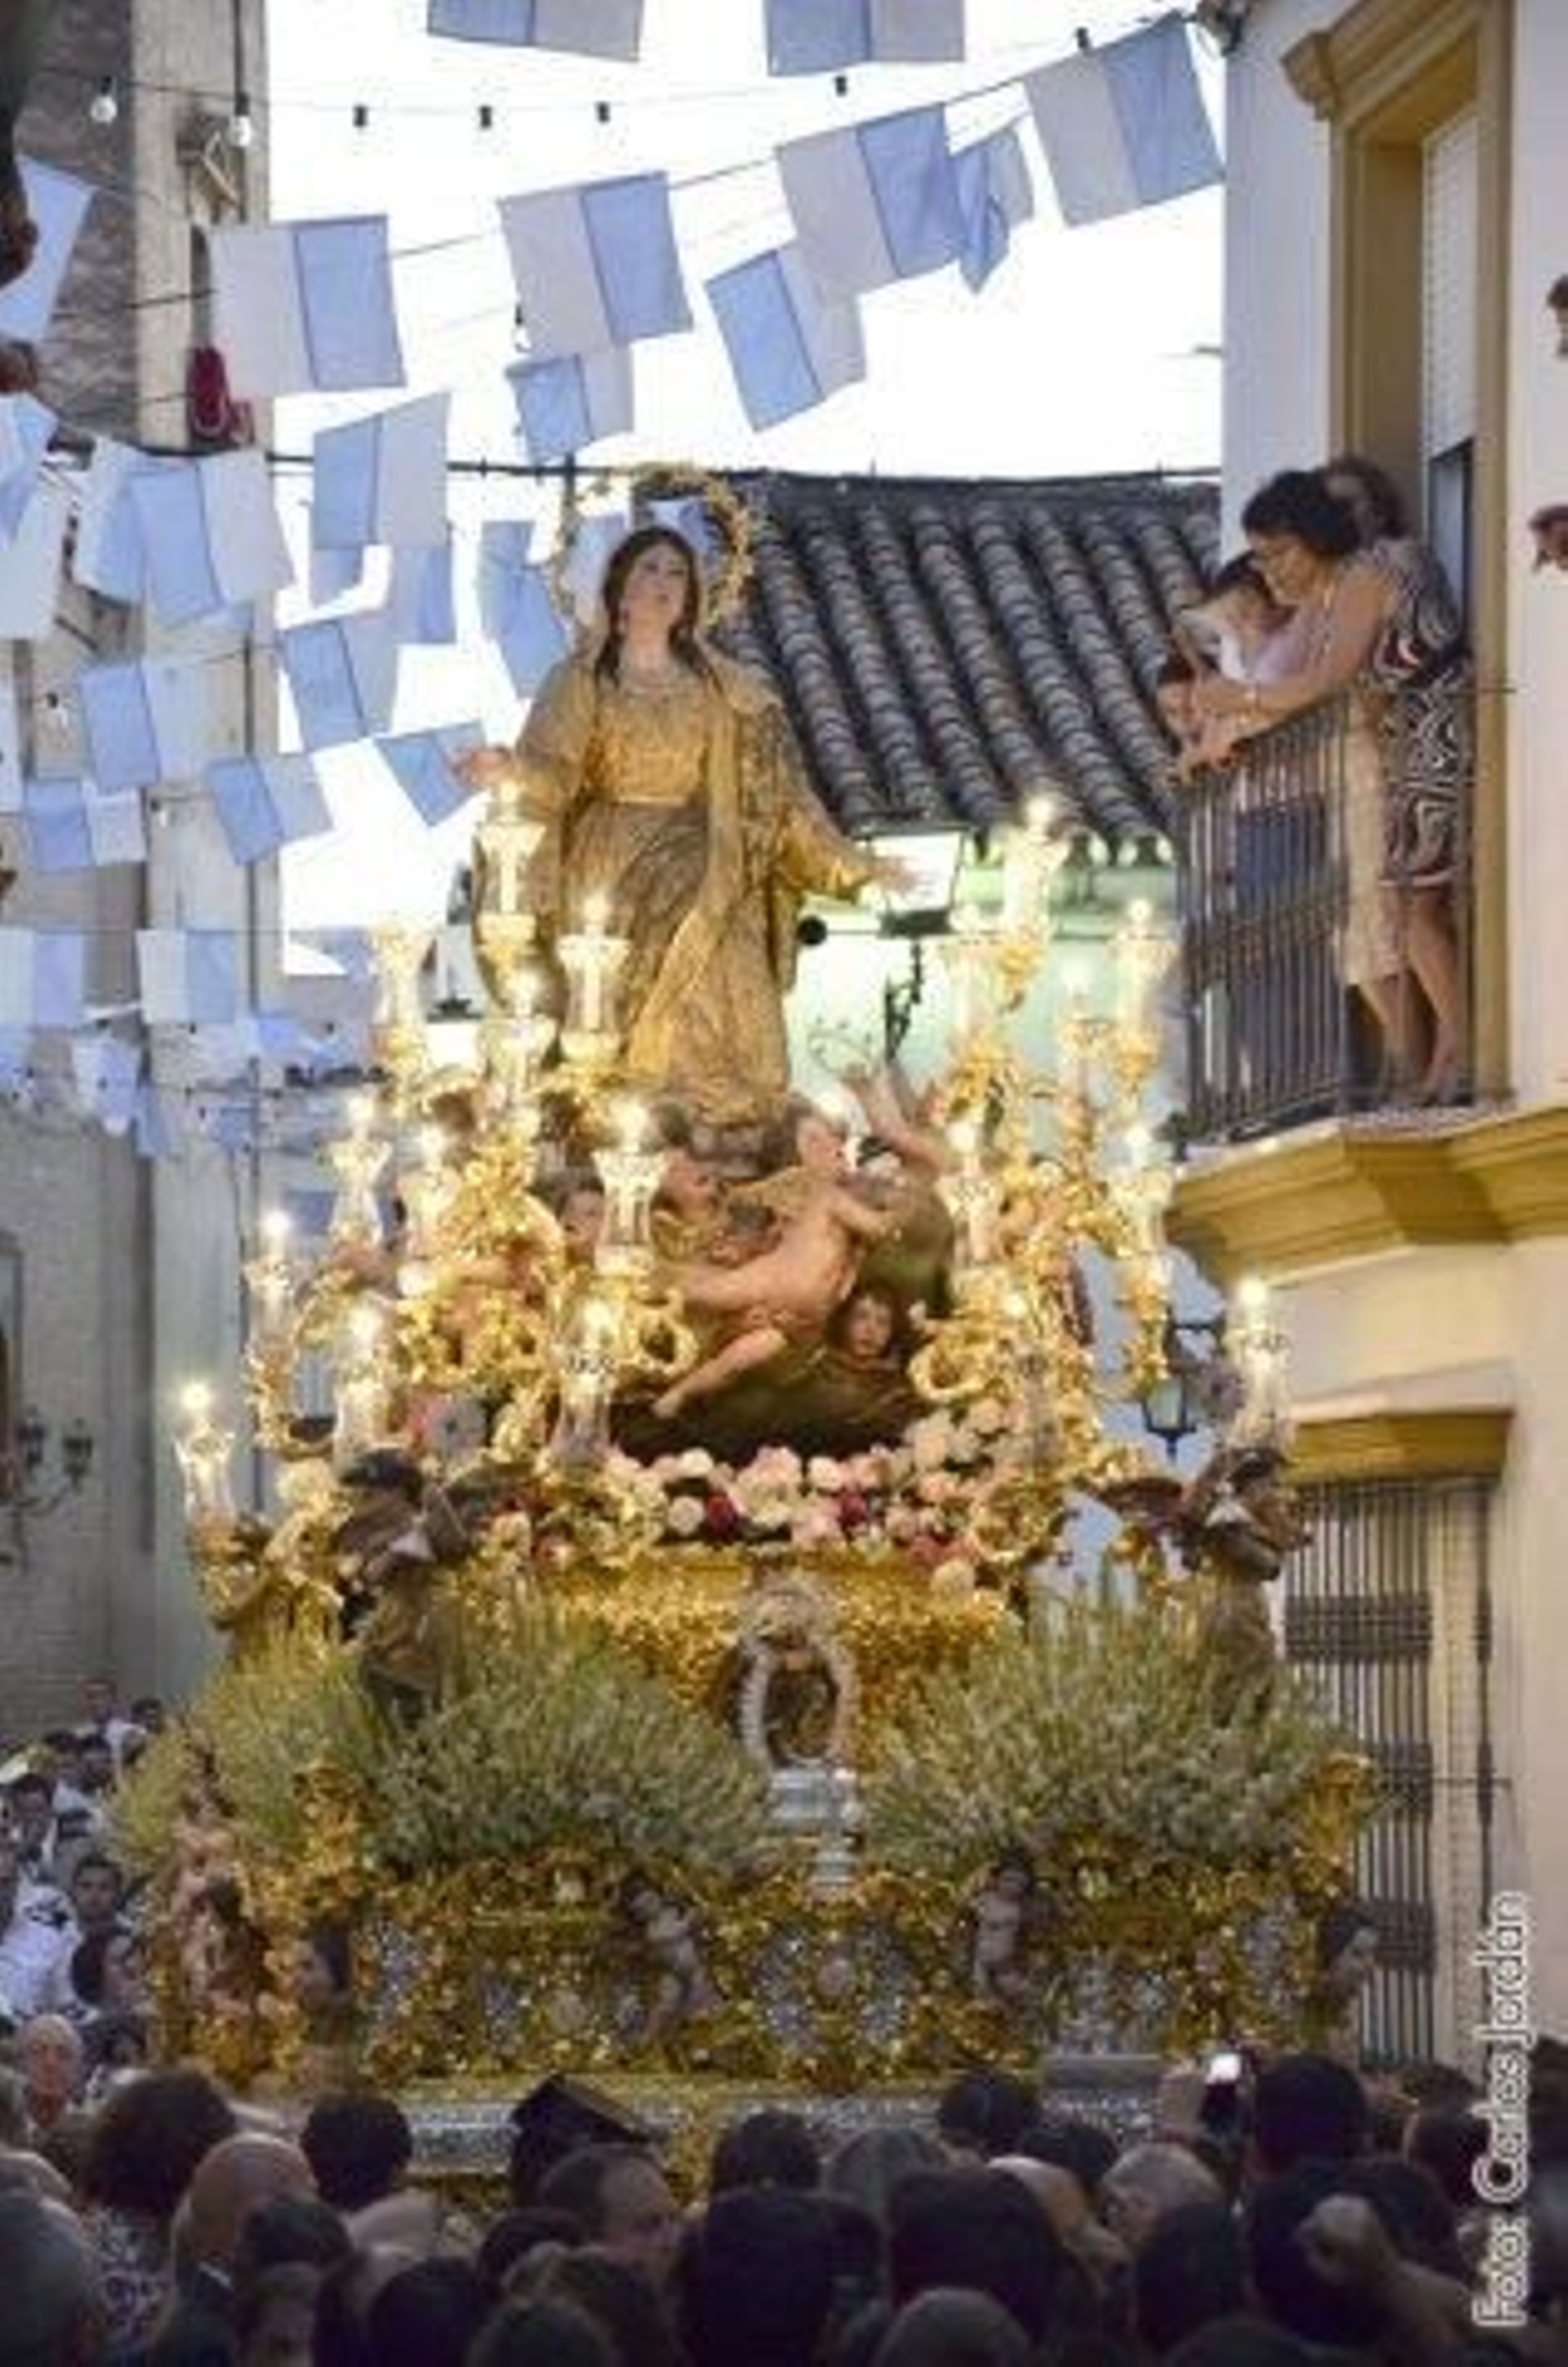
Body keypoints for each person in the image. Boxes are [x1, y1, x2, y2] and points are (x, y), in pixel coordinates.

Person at [460, 525, 908, 1126]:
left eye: (677, 573)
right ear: (619, 585)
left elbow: (783, 803)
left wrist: (858, 867)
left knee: (726, 955)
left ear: (695, 593)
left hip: (711, 861)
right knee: (624, 987)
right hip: (617, 864)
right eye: (650, 569)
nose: (664, 584)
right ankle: (641, 1106)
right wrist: (510, 768)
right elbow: (554, 770)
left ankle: (735, 1114)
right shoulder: (582, 679)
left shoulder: (732, 693)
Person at [1194, 468, 1464, 1099]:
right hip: (1412, 740)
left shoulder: (1368, 574)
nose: (1271, 571)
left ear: (1313, 533)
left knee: (1414, 906)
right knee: (1408, 905)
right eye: (1261, 559)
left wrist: (1242, 696)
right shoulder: (1344, 584)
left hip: (1431, 736)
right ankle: (1445, 1056)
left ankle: (1456, 1054)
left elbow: (1327, 680)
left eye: (1278, 552)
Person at [653, 1103, 894, 1419]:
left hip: (796, 1323)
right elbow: (881, 1227)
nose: (823, 1148)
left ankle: (681, 1394)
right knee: (703, 1293)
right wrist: (890, 1218)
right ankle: (643, 1291)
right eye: (811, 1139)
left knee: (735, 1363)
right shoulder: (829, 1198)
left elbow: (848, 1279)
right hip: (767, 1280)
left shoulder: (849, 1227)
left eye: (831, 1141)